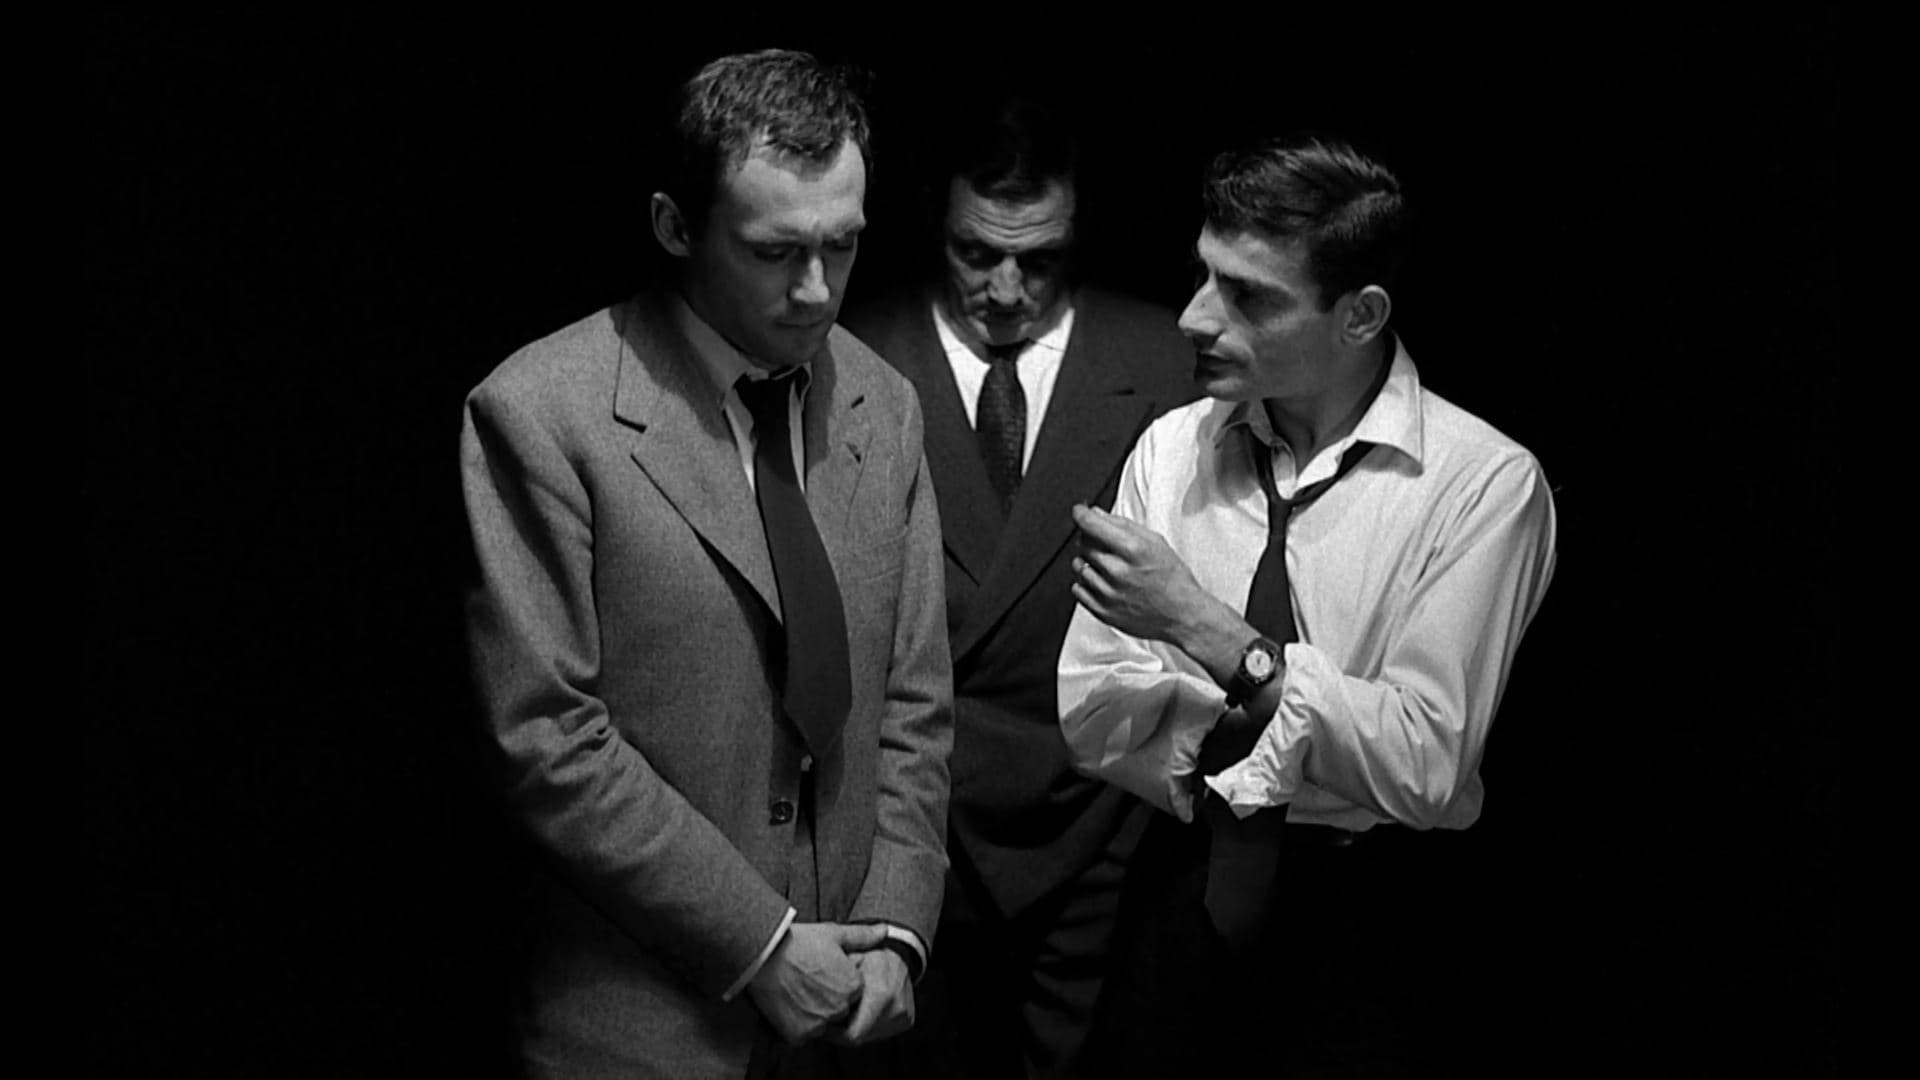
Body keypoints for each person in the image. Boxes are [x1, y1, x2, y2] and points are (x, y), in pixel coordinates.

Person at [460, 49, 953, 1079]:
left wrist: (899, 925)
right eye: (774, 252)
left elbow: (913, 702)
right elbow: (548, 738)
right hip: (642, 1027)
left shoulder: (885, 405)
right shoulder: (543, 413)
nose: (816, 290)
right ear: (675, 226)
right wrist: (761, 946)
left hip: (852, 1023)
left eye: (843, 245)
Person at [1056, 135, 1558, 1077]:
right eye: (1204, 275)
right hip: (1178, 886)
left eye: (1248, 296)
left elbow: (1424, 761)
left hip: (1369, 922)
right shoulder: (1172, 448)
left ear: (1360, 315)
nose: (1194, 317)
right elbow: (1095, 708)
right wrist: (1313, 729)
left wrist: (1207, 636)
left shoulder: (1483, 485)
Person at [843, 95, 1194, 1078]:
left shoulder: (1169, 361)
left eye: (1038, 260)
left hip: (1102, 824)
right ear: (936, 226)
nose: (1005, 289)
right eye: (976, 253)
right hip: (907, 820)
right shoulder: (847, 355)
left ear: (1077, 234)